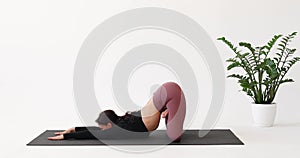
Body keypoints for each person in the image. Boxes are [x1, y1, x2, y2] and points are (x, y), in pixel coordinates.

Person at [48, 81, 186, 142]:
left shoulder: (120, 129)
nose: (101, 129)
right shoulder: (119, 121)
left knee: (175, 138)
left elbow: (93, 134)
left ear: (109, 126)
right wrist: (73, 129)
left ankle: (168, 107)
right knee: (172, 133)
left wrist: (67, 136)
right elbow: (96, 130)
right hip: (165, 94)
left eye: (103, 127)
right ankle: (167, 108)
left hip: (171, 92)